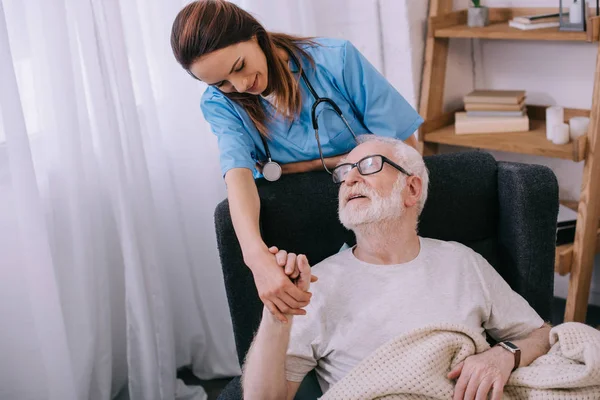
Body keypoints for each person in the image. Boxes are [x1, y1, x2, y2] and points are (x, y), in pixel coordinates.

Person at [241, 135, 552, 400]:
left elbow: (541, 334)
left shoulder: (462, 262)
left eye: (367, 167)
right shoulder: (313, 285)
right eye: (344, 172)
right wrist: (276, 315)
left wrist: (504, 354)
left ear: (412, 189)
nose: (349, 179)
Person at [170, 0, 423, 323]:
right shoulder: (219, 103)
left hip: (370, 205)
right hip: (298, 219)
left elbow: (403, 148)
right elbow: (237, 175)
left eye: (239, 66)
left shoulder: (335, 60)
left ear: (255, 36)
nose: (241, 86)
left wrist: (299, 167)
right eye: (222, 83)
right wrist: (256, 259)